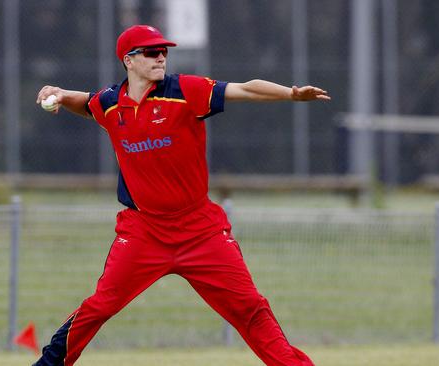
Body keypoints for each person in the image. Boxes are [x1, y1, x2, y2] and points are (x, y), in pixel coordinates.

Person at [33, 24, 330, 366]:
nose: (161, 57)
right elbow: (86, 103)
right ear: (128, 61)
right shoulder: (111, 103)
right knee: (100, 305)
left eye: (163, 51)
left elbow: (244, 89)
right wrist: (59, 93)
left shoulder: (184, 90)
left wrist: (290, 94)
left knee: (251, 309)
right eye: (151, 52)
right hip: (143, 231)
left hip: (200, 230)